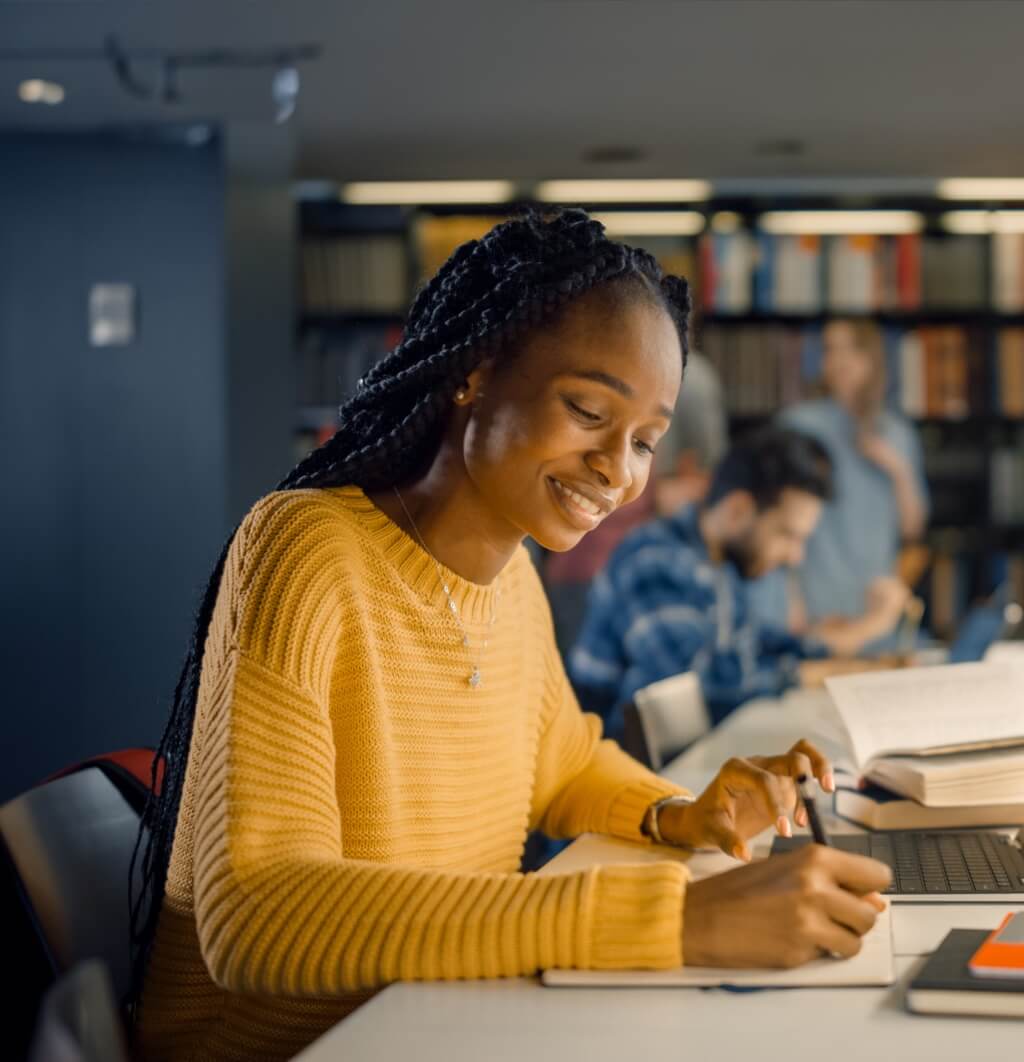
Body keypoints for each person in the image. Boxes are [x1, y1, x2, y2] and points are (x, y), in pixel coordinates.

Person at [129, 212, 890, 1062]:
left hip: (437, 1020)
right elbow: (259, 918)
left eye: (644, 441)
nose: (618, 469)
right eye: (588, 410)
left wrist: (680, 813)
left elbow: (561, 763)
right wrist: (672, 920)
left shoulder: (512, 577)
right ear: (474, 373)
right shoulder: (305, 550)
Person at [569, 428, 908, 739]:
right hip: (615, 774)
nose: (796, 557)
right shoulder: (655, 561)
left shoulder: (719, 565)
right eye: (787, 535)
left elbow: (752, 646)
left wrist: (841, 652)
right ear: (738, 510)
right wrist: (833, 661)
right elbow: (697, 689)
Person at [752, 318, 928, 643]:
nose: (841, 360)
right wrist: (789, 597)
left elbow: (913, 529)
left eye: (853, 349)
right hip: (816, 603)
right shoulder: (798, 425)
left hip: (877, 606)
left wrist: (898, 470)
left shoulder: (897, 433)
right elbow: (772, 520)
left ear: (873, 358)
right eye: (832, 350)